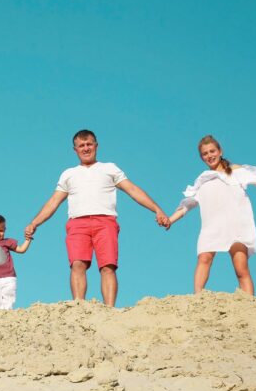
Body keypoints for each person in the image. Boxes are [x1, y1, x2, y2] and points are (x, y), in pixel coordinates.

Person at [24, 129, 170, 307]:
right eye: (81, 146)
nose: (85, 148)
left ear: (96, 146)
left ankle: (109, 309)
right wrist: (35, 222)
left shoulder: (109, 168)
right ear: (75, 150)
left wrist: (157, 209)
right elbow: (54, 201)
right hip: (77, 223)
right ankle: (79, 307)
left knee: (108, 266)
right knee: (77, 264)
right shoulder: (69, 174)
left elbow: (132, 190)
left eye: (89, 144)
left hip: (105, 222)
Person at [167, 135, 256, 295]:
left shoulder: (237, 171)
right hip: (212, 227)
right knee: (204, 259)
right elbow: (187, 204)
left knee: (240, 267)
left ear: (220, 151)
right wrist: (170, 220)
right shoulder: (202, 179)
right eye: (205, 154)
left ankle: (250, 305)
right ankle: (197, 299)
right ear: (201, 157)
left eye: (212, 151)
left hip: (236, 225)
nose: (209, 155)